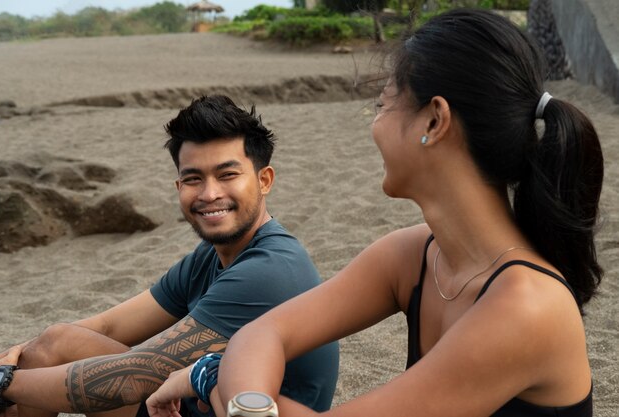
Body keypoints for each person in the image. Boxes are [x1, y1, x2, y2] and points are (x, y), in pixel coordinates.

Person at [146, 8, 603, 417]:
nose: (375, 125)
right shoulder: (414, 255)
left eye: (382, 105)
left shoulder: (526, 306)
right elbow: (261, 335)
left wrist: (216, 382)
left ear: (434, 121)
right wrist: (229, 379)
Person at [0, 95, 339, 417]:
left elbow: (133, 375)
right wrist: (16, 355)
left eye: (227, 174)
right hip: (183, 404)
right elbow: (108, 325)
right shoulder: (210, 256)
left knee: (51, 357)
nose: (210, 193)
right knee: (50, 347)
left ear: (264, 180)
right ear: (179, 188)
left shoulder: (270, 269)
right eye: (193, 178)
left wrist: (5, 382)